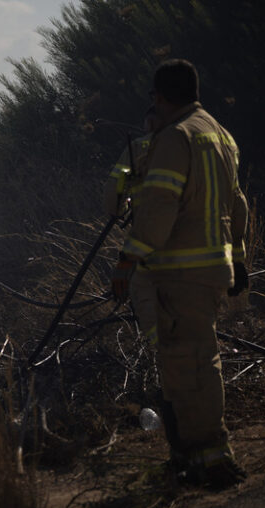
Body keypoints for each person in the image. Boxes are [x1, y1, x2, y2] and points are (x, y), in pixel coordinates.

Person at [112, 59, 249, 489]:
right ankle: (194, 456)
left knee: (190, 366)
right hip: (211, 271)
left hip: (181, 273)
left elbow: (157, 213)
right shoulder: (219, 133)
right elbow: (238, 203)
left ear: (159, 97)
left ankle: (212, 460)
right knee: (194, 361)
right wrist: (239, 258)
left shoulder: (175, 137)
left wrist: (127, 261)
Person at [105, 107, 160, 345]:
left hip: (150, 243)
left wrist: (119, 210)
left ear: (149, 122)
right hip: (205, 249)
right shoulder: (199, 145)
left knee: (143, 293)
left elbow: (114, 191)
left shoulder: (138, 147)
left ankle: (164, 355)